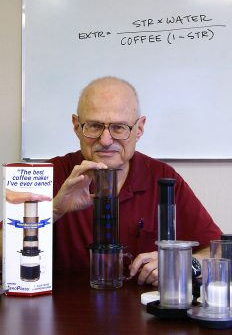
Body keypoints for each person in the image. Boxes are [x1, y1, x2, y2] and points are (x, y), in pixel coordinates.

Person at [48, 76, 222, 286]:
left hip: (143, 315)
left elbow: (221, 251)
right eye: (94, 126)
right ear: (77, 126)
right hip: (66, 315)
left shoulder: (162, 178)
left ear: (139, 128)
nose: (105, 140)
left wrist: (186, 263)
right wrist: (53, 211)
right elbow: (1, 249)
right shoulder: (51, 174)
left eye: (119, 128)